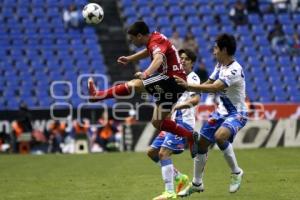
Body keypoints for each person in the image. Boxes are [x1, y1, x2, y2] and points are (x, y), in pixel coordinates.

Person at [88, 21, 198, 156]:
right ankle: (190, 136)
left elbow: (157, 58)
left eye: (132, 38)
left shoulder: (155, 41)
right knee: (157, 122)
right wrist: (130, 59)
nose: (131, 41)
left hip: (171, 79)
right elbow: (149, 51)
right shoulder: (155, 39)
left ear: (139, 36)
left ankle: (98, 95)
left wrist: (145, 74)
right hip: (175, 86)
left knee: (135, 84)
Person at [174, 34, 248, 196]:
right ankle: (197, 183)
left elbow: (215, 87)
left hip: (238, 113)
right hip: (221, 111)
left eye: (216, 48)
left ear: (224, 50)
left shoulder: (234, 69)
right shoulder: (220, 65)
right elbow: (207, 83)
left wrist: (188, 86)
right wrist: (189, 88)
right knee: (201, 143)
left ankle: (236, 172)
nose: (213, 52)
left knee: (220, 136)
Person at [149, 49, 201, 200]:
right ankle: (179, 177)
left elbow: (195, 100)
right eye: (181, 58)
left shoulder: (192, 78)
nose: (182, 61)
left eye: (186, 59)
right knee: (152, 153)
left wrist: (177, 107)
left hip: (183, 123)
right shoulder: (175, 77)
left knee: (163, 153)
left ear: (192, 62)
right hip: (171, 122)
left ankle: (169, 192)